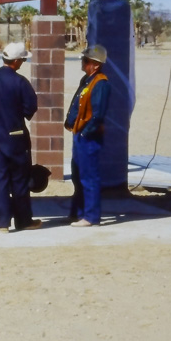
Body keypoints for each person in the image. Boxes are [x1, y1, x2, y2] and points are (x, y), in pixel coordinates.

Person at [0, 42, 41, 233]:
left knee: (0, 179)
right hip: (16, 136)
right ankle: (23, 220)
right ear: (17, 61)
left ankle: (2, 223)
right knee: (19, 179)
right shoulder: (20, 82)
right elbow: (30, 108)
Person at [64, 44, 111, 227]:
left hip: (88, 137)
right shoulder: (87, 79)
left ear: (96, 64)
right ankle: (78, 213)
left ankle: (91, 217)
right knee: (78, 176)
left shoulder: (100, 83)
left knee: (89, 177)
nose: (83, 63)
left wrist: (85, 132)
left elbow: (98, 114)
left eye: (86, 61)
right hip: (79, 134)